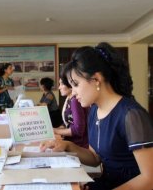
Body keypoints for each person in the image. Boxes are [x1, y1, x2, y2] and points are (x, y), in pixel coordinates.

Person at [40, 42, 153, 190]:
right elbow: (95, 158)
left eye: (76, 84)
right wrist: (67, 145)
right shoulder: (94, 110)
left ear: (96, 79)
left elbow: (149, 179)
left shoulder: (131, 115)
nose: (73, 92)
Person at [54, 66, 89, 148]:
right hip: (72, 143)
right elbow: (68, 122)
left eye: (62, 84)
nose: (59, 87)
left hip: (79, 146)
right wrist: (57, 129)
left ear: (70, 85)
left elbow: (78, 129)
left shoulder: (75, 101)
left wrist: (56, 131)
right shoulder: (69, 99)